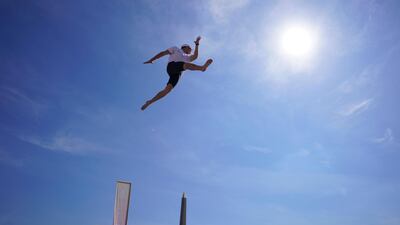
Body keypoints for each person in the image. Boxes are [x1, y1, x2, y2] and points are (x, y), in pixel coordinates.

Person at [141, 36, 213, 110]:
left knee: (167, 90)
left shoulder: (187, 57)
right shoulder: (176, 49)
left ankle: (150, 102)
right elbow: (163, 53)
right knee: (185, 65)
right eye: (190, 49)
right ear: (185, 47)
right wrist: (152, 59)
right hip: (172, 66)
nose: (191, 50)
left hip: (177, 73)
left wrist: (197, 45)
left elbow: (195, 56)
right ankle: (201, 68)